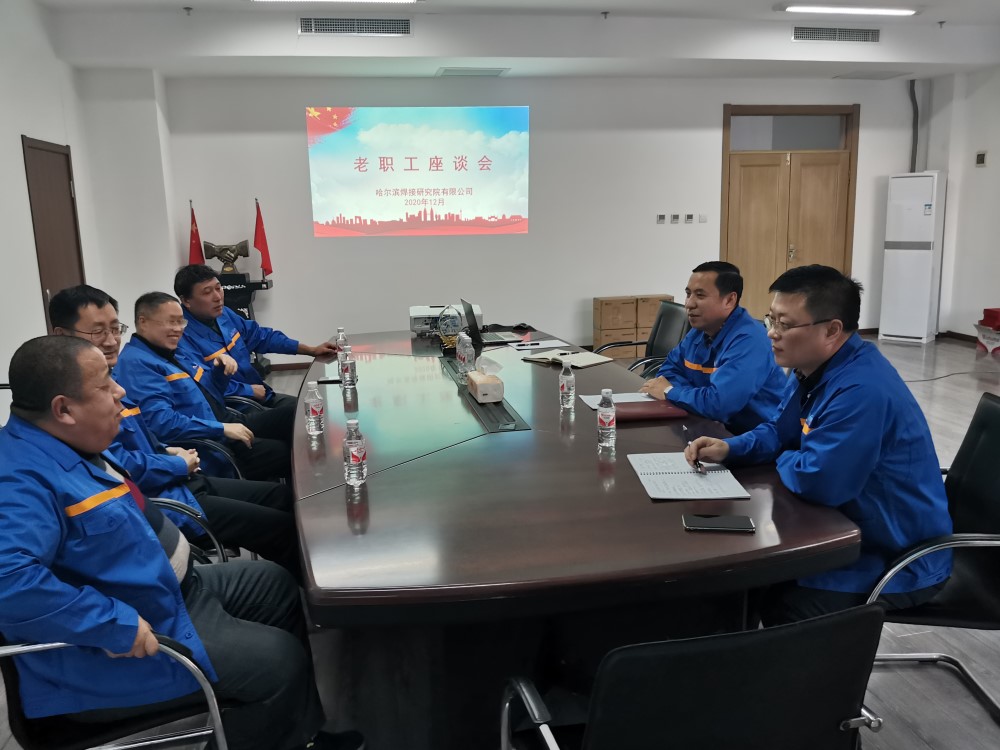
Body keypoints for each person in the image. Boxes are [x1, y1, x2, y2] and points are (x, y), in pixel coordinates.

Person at [0, 335, 362, 750]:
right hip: (112, 649)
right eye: (104, 385)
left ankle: (297, 736)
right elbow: (8, 581)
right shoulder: (18, 478)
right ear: (64, 409)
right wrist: (112, 625)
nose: (120, 391)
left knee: (272, 584)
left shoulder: (68, 443)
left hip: (166, 593)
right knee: (279, 663)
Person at [685, 264, 952, 624]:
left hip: (892, 556)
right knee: (741, 584)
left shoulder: (861, 390)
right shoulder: (811, 368)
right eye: (771, 319)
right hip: (846, 527)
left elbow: (820, 483)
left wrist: (787, 455)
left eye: (784, 324)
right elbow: (779, 431)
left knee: (778, 599)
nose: (771, 334)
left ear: (831, 330)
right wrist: (732, 448)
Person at [49, 284, 301, 579]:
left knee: (282, 496)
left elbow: (143, 438)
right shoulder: (77, 401)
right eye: (97, 332)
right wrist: (176, 462)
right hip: (168, 499)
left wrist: (169, 451)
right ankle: (318, 594)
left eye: (115, 329)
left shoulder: (135, 368)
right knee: (280, 525)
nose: (111, 340)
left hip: (181, 478)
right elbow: (118, 466)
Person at [114, 292, 291, 482]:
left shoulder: (173, 351)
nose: (178, 329)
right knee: (288, 452)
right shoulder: (137, 363)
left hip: (224, 422)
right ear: (143, 322)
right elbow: (162, 423)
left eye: (181, 322)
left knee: (291, 415)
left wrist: (220, 371)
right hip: (211, 445)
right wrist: (220, 429)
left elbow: (212, 393)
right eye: (171, 322)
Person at [639, 261, 787, 434]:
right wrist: (700, 397)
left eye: (700, 295)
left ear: (729, 300)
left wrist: (670, 392)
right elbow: (667, 372)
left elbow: (719, 405)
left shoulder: (750, 340)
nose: (689, 304)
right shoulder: (699, 331)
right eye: (688, 294)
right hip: (706, 427)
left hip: (752, 440)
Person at [174, 263, 336, 410]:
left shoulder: (223, 315)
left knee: (312, 408)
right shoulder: (180, 338)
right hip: (234, 408)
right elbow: (205, 384)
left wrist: (311, 350)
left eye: (218, 288)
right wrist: (248, 390)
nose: (217, 297)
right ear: (186, 301)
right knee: (302, 414)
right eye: (207, 292)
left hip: (260, 394)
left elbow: (262, 337)